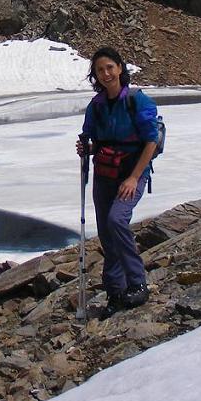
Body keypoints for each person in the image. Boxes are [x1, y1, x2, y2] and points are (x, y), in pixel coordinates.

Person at [76, 46, 161, 313]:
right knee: (107, 233)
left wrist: (134, 177)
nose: (106, 73)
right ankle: (115, 292)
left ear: (120, 68)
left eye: (110, 67)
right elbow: (94, 139)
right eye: (100, 70)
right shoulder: (97, 106)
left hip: (130, 174)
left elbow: (151, 140)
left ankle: (137, 284)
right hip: (105, 174)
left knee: (116, 220)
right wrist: (87, 149)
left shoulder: (138, 100)